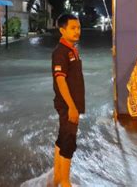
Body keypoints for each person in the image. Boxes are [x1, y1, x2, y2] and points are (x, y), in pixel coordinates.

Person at [51, 14, 84, 186]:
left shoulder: (71, 49)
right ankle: (65, 182)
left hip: (70, 104)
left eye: (78, 27)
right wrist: (72, 107)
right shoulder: (61, 52)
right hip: (67, 104)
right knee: (69, 142)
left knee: (63, 138)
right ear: (62, 30)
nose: (77, 31)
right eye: (73, 28)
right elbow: (60, 80)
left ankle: (57, 177)